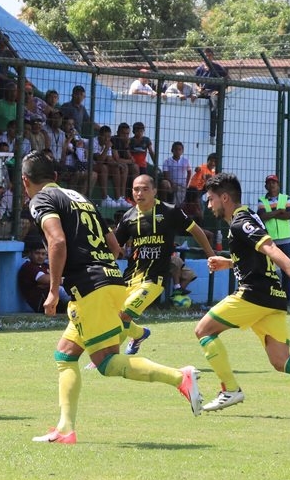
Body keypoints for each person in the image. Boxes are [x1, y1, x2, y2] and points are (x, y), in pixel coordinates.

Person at [22, 151, 203, 444]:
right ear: (55, 177)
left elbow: (56, 241)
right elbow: (115, 246)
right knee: (65, 355)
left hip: (91, 288)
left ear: (25, 180)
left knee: (106, 363)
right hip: (108, 280)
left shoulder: (41, 200)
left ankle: (179, 377)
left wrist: (54, 290)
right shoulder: (80, 197)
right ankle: (65, 428)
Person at [194, 172, 290, 420]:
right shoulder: (248, 217)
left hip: (254, 294)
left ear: (224, 197)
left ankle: (230, 389)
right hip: (273, 297)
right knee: (280, 360)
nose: (208, 204)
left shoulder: (240, 221)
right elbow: (254, 255)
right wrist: (229, 262)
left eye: (211, 198)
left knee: (203, 331)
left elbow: (270, 248)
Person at [108, 171, 216, 349]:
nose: (139, 193)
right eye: (136, 190)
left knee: (124, 315)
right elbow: (113, 245)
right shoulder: (128, 217)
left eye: (144, 189)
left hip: (154, 279)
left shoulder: (170, 211)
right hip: (130, 277)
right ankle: (140, 334)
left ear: (155, 191)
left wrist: (210, 254)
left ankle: (107, 355)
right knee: (116, 316)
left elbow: (195, 230)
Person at [256, 174, 290, 302]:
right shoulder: (262, 200)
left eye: (274, 182)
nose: (272, 185)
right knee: (268, 270)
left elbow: (289, 215)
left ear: (278, 185)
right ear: (266, 186)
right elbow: (262, 216)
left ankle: (286, 299)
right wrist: (279, 211)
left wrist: (272, 214)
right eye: (269, 183)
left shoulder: (286, 198)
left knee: (286, 269)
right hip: (269, 240)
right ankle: (270, 296)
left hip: (285, 239)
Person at [161, 141, 191, 206]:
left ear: (182, 151)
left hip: (182, 185)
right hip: (171, 184)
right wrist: (172, 184)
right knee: (164, 183)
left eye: (179, 149)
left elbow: (189, 172)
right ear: (172, 150)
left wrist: (186, 184)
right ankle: (164, 205)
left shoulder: (185, 161)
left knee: (180, 203)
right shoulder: (167, 161)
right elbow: (165, 175)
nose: (177, 151)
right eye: (176, 149)